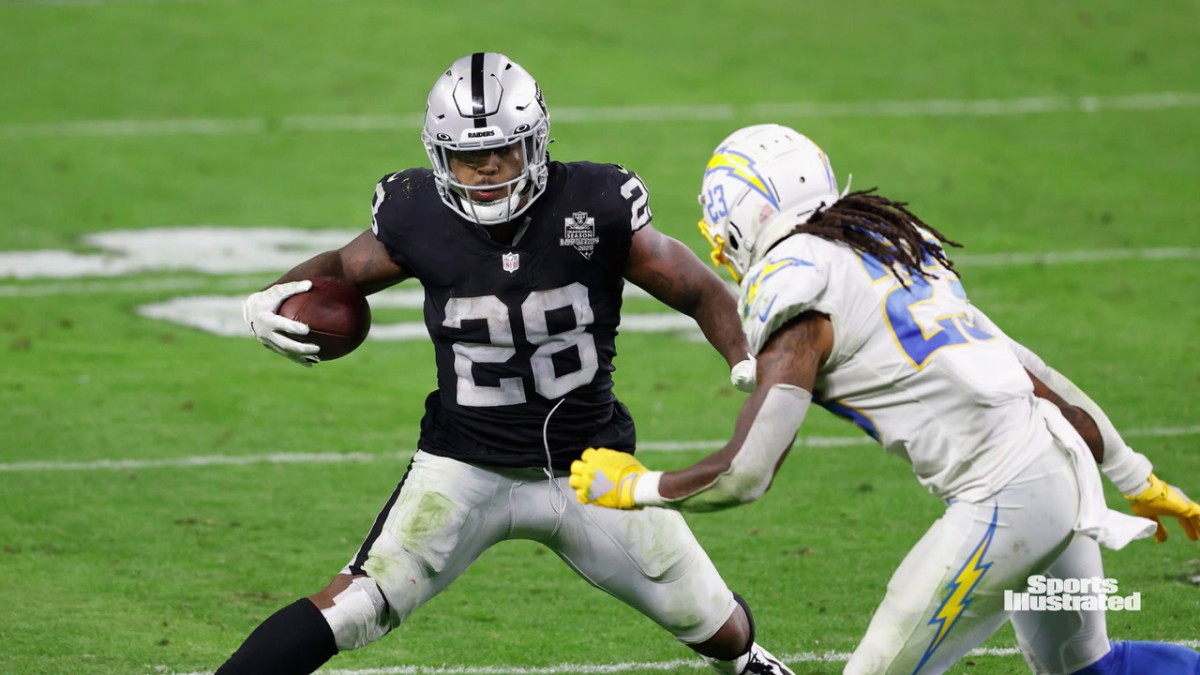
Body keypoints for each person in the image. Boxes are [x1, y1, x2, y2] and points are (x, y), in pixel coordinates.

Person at [219, 54, 789, 675]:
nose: (485, 168)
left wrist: (742, 354)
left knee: (722, 630)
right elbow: (340, 269)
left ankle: (746, 662)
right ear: (440, 156)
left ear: (535, 144)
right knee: (355, 604)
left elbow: (698, 289)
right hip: (463, 469)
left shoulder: (594, 205)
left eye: (502, 150)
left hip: (591, 469)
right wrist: (269, 298)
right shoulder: (416, 213)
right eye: (467, 155)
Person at [569, 123, 1200, 674]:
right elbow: (1030, 371)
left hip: (1006, 502)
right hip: (1062, 466)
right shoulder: (887, 241)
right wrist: (1132, 473)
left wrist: (636, 486)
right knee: (1090, 669)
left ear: (739, 221)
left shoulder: (793, 284)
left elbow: (746, 474)